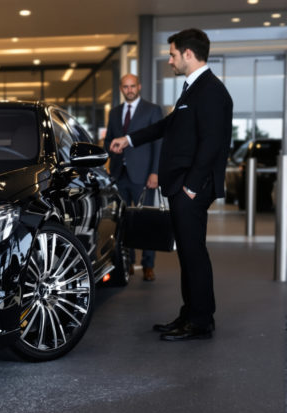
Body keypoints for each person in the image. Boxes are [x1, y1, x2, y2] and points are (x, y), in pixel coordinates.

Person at [110, 28, 233, 341]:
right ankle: (190, 314)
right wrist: (129, 139)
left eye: (173, 54)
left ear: (188, 54)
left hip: (191, 189)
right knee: (188, 254)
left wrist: (191, 187)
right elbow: (168, 125)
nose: (170, 60)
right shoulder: (194, 88)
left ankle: (200, 321)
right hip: (183, 186)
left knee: (194, 254)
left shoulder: (211, 91)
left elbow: (211, 143)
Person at [105, 74, 163, 282]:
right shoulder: (114, 112)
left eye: (132, 86)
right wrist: (110, 149)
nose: (129, 90)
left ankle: (148, 265)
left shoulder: (152, 110)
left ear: (139, 87)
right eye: (125, 87)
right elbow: (109, 140)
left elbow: (158, 143)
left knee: (146, 221)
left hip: (144, 175)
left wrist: (155, 172)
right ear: (121, 88)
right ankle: (128, 262)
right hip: (119, 175)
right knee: (123, 222)